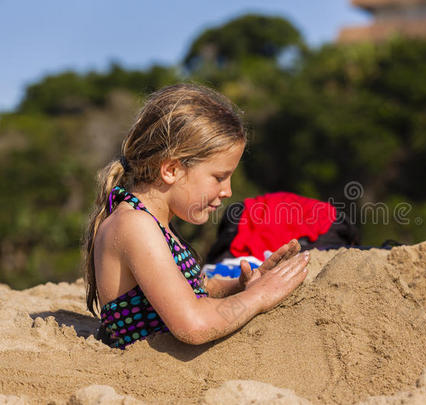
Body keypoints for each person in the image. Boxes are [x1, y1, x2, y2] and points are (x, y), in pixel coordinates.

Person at [81, 83, 310, 349]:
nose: (228, 191)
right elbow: (193, 325)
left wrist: (242, 284)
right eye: (219, 177)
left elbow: (189, 290)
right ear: (171, 169)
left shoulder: (154, 222)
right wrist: (260, 296)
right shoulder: (134, 225)